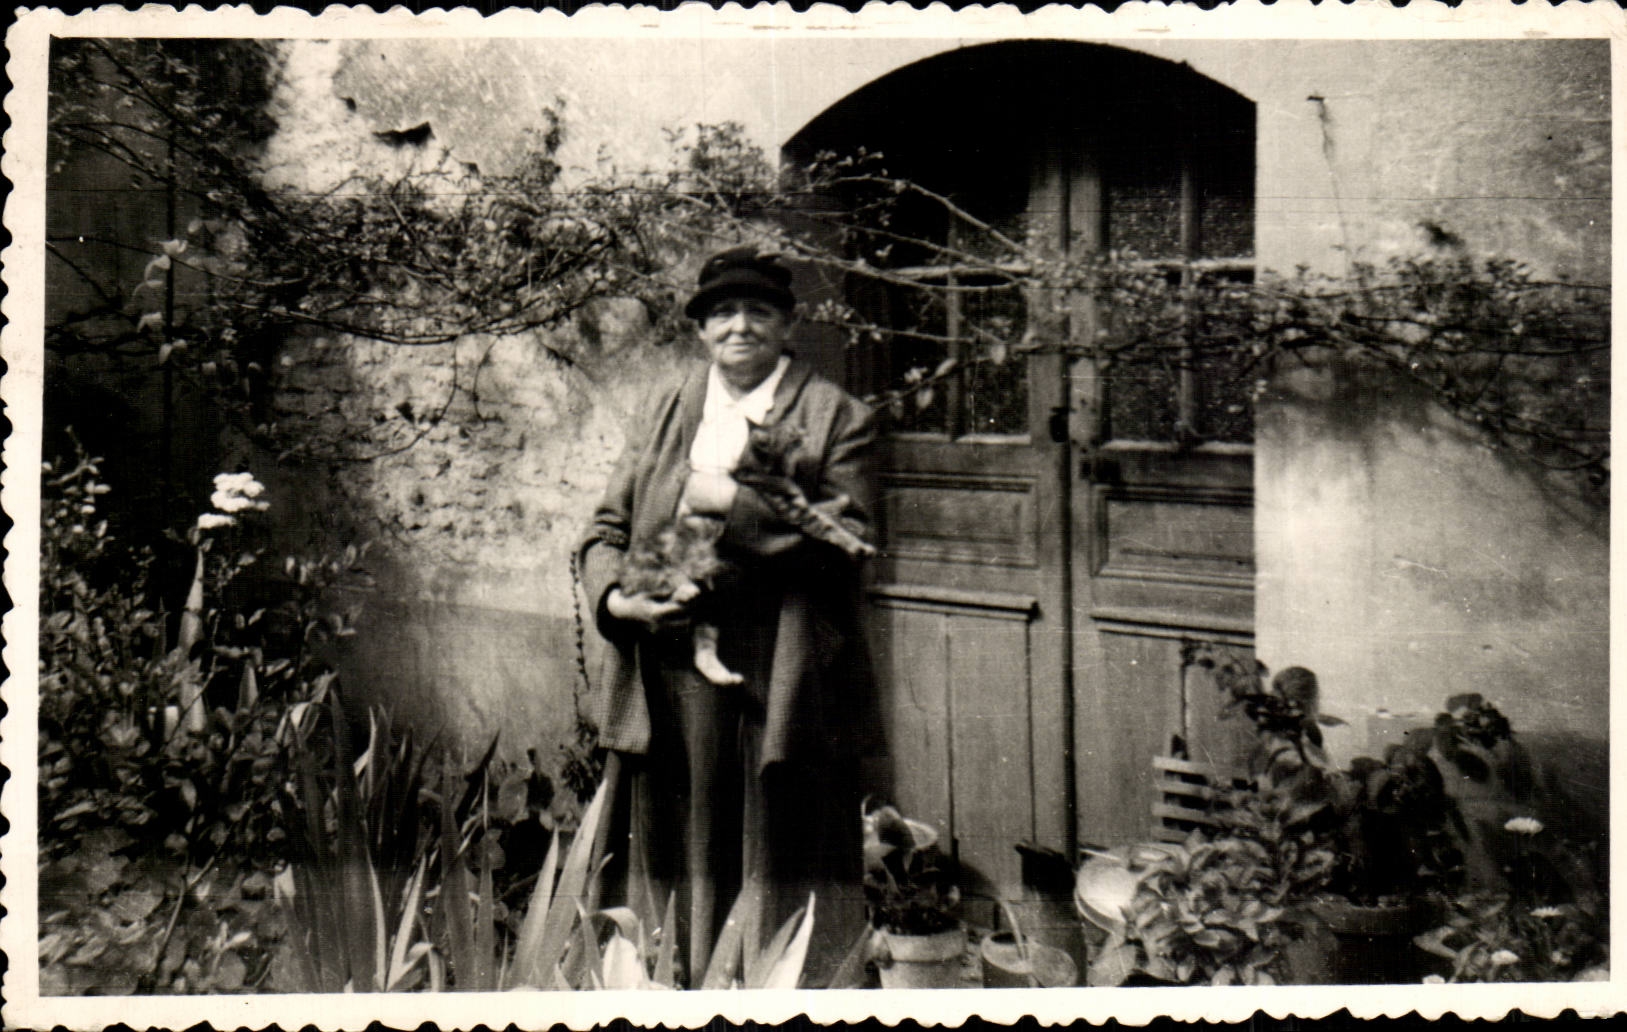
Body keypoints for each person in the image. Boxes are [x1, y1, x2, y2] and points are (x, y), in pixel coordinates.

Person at [577, 246, 878, 984]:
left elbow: (847, 542)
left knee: (777, 862)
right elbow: (605, 530)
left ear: (788, 325)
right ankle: (672, 990)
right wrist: (617, 599)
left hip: (778, 679)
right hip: (665, 672)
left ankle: (768, 997)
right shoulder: (665, 407)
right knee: (668, 866)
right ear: (701, 327)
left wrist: (727, 501)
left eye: (758, 311)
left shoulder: (836, 416)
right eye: (721, 313)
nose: (739, 326)